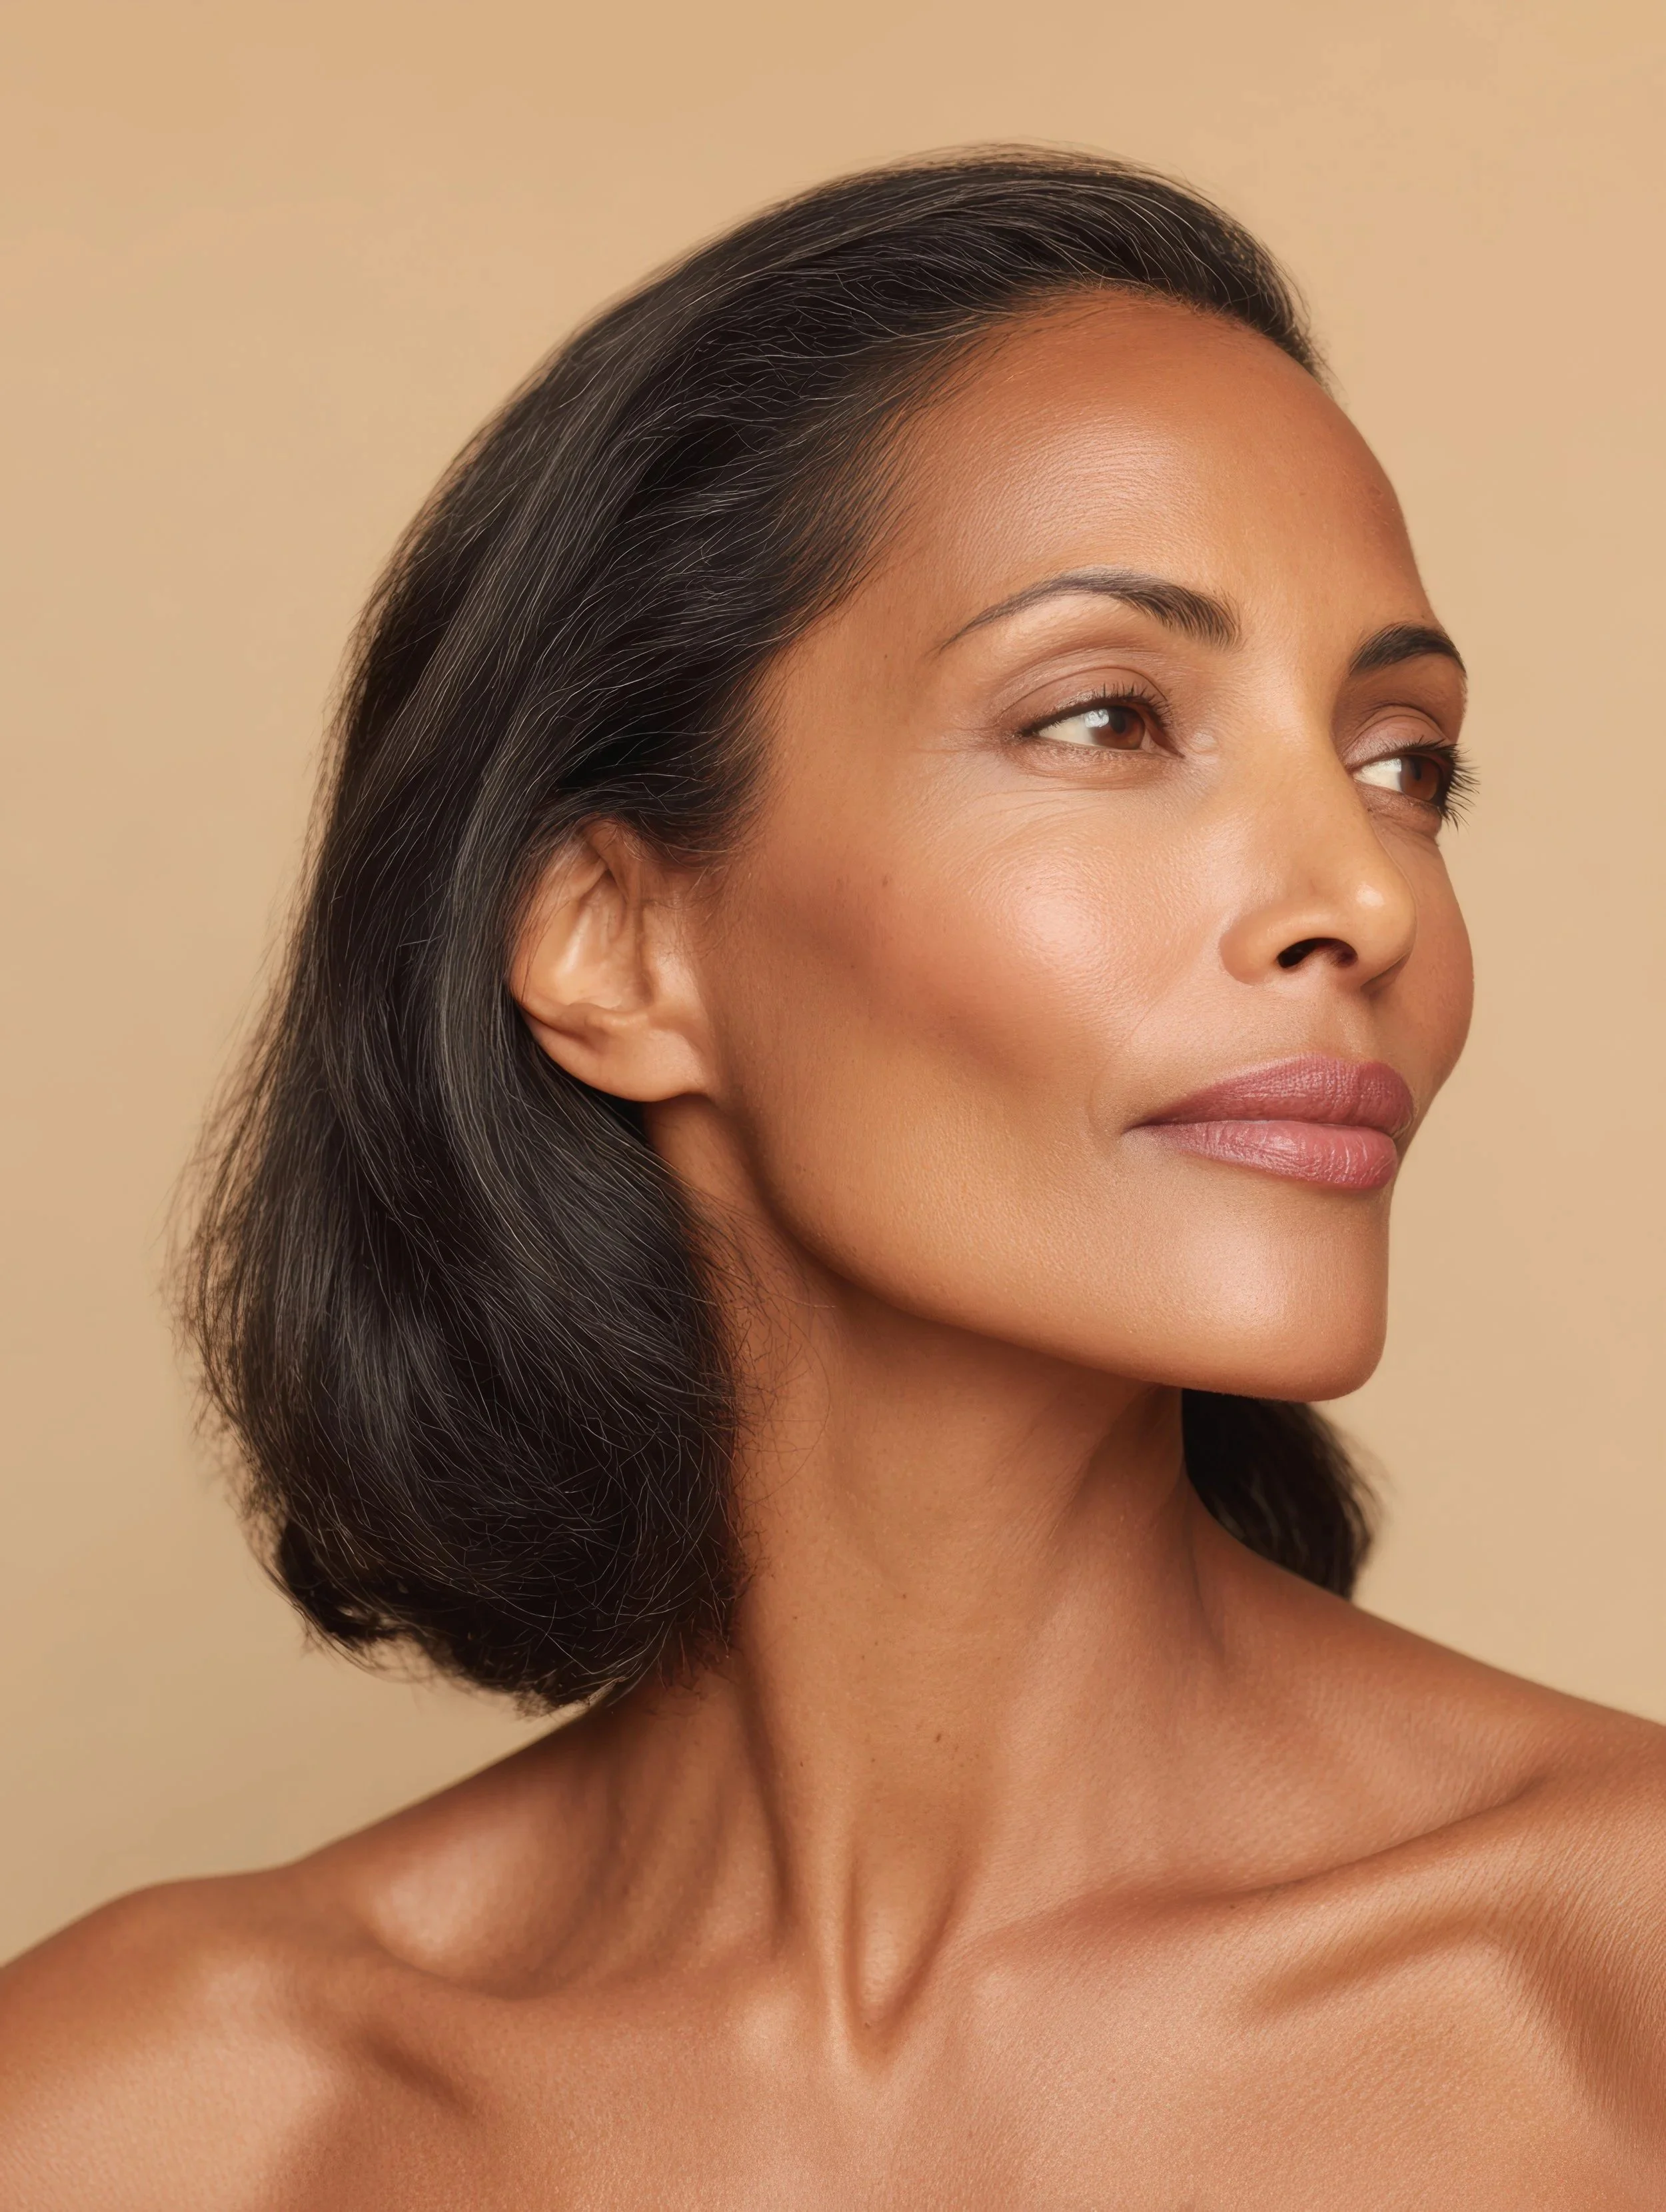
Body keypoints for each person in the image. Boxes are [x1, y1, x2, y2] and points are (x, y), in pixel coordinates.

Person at [2, 147, 1662, 2208]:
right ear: (614, 941)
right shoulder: (150, 2122)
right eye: (1104, 716)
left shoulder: (1611, 1990)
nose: (1359, 894)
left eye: (1402, 760)